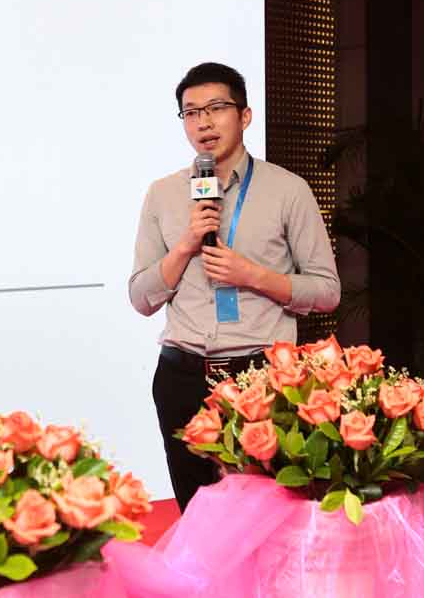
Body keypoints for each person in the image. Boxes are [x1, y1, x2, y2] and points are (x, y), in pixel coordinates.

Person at [128, 62, 341, 512]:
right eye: (191, 112)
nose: (203, 122)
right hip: (182, 376)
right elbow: (140, 297)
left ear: (244, 116)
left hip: (260, 377)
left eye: (216, 108)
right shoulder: (162, 194)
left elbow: (327, 291)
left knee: (263, 521)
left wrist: (253, 276)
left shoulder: (288, 190)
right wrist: (185, 245)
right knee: (196, 519)